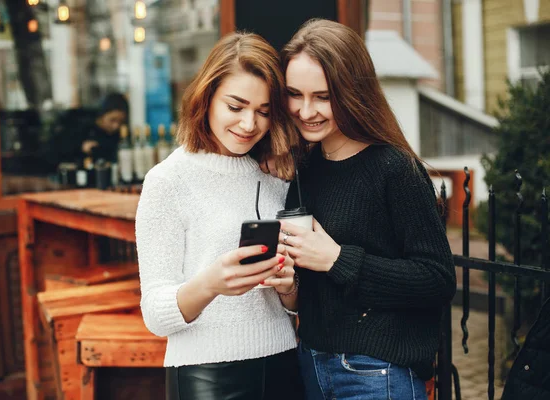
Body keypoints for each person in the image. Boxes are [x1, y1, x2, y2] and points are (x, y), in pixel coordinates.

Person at [271, 19, 457, 400]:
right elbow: (311, 289)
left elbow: (437, 279)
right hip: (312, 365)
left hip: (378, 373)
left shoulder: (394, 169)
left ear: (352, 92)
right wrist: (288, 285)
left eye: (323, 97)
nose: (306, 111)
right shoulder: (305, 169)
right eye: (295, 94)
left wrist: (338, 259)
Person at [135, 32, 303, 400]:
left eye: (263, 111)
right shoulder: (168, 180)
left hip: (283, 364)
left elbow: (293, 305)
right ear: (207, 98)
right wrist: (211, 283)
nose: (248, 124)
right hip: (206, 376)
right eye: (236, 106)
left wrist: (290, 287)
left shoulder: (275, 178)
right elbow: (155, 315)